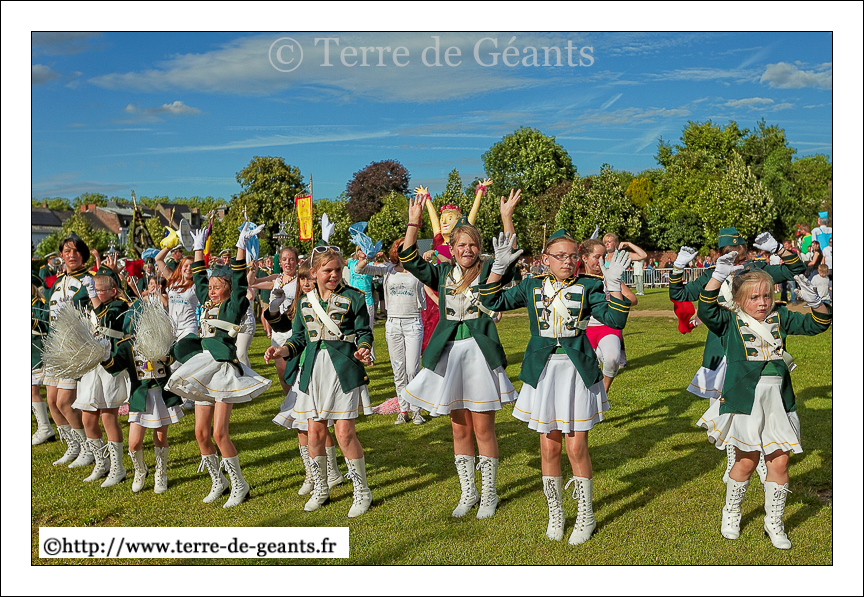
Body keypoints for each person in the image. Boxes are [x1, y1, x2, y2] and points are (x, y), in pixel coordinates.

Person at [481, 229, 631, 544]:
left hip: (577, 371)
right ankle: (556, 513)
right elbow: (490, 300)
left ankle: (586, 515)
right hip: (543, 372)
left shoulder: (589, 286)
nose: (567, 261)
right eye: (560, 256)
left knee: (576, 447)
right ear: (545, 259)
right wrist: (497, 268)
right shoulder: (531, 285)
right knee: (549, 447)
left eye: (573, 256)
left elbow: (615, 321)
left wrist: (615, 286)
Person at [696, 255, 831, 549]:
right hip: (745, 401)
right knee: (746, 461)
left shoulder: (780, 317)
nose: (762, 303)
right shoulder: (729, 321)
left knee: (780, 461)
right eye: (754, 297)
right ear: (738, 300)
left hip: (779, 401)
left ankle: (774, 522)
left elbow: (819, 324)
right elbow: (706, 309)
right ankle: (732, 511)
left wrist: (816, 301)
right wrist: (717, 276)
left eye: (766, 296)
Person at [397, 195, 518, 520]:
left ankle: (489, 493)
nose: (467, 250)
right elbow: (409, 258)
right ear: (451, 248)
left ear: (479, 248)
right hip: (449, 356)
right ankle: (468, 492)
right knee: (459, 428)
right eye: (461, 245)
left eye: (473, 245)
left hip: (480, 355)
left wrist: (506, 217)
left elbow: (510, 256)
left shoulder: (489, 270)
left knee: (483, 429)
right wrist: (414, 222)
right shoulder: (441, 273)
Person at [669, 227, 805, 480]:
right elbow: (679, 294)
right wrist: (678, 267)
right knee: (726, 402)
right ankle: (735, 454)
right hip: (721, 342)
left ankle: (760, 452)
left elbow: (794, 269)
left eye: (740, 255)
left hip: (755, 343)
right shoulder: (712, 274)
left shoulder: (756, 270)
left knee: (757, 401)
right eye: (730, 255)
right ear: (721, 254)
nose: (736, 260)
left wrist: (779, 250)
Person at [264, 246, 375, 518]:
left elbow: (364, 332)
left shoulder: (354, 297)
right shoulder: (304, 302)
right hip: (313, 370)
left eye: (337, 270)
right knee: (314, 433)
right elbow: (298, 339)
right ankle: (321, 488)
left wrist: (364, 348)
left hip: (343, 370)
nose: (334, 275)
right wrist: (281, 350)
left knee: (344, 434)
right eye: (328, 271)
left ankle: (362, 492)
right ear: (314, 272)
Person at [165, 224, 272, 508]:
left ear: (228, 288)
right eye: (211, 287)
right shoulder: (207, 302)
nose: (211, 291)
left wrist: (240, 247)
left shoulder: (235, 304)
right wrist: (198, 249)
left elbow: (239, 279)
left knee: (219, 433)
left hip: (224, 370)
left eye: (217, 287)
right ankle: (218, 480)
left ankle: (239, 484)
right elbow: (199, 278)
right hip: (203, 370)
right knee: (200, 433)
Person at [266, 262, 345, 497]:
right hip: (300, 368)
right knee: (301, 424)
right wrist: (273, 309)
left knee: (318, 424)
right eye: (302, 279)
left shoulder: (329, 302)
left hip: (322, 367)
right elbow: (284, 327)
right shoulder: (298, 306)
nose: (307, 283)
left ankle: (331, 472)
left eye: (309, 279)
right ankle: (311, 473)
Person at [101, 297, 185, 494]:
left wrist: (161, 354)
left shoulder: (164, 338)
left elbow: (172, 357)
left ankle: (161, 473)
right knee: (134, 443)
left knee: (160, 437)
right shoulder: (127, 345)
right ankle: (140, 470)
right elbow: (114, 367)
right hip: (140, 396)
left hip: (162, 395)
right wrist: (104, 356)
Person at [354, 237, 428, 425]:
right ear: (396, 251)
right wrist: (368, 256)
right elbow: (359, 269)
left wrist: (432, 255)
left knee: (412, 369)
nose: (406, 251)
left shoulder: (419, 269)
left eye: (410, 248)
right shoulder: (388, 269)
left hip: (413, 322)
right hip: (393, 323)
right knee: (398, 368)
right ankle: (403, 410)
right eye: (402, 248)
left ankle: (416, 410)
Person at [72, 261, 131, 487]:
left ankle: (118, 467)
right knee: (87, 418)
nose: (93, 294)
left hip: (110, 365)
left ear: (113, 291)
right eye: (92, 290)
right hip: (92, 366)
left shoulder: (119, 306)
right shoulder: (94, 305)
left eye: (98, 290)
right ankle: (101, 462)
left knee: (108, 417)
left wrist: (93, 295)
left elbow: (106, 318)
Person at [44, 233, 94, 467]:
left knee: (65, 401)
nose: (71, 255)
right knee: (52, 401)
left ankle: (88, 448)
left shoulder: (89, 279)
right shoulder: (57, 282)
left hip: (75, 346)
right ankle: (73, 445)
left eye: (76, 251)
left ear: (83, 254)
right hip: (56, 345)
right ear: (61, 255)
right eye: (67, 251)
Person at [580, 239, 638, 393]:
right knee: (584, 367)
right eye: (596, 257)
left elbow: (632, 299)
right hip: (584, 328)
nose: (601, 261)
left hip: (608, 326)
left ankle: (603, 394)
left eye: (603, 257)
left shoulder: (609, 276)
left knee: (612, 359)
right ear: (584, 258)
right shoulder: (577, 278)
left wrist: (612, 299)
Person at [252, 247, 300, 395]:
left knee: (296, 370)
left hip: (293, 328)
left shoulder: (300, 280)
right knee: (282, 372)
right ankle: (289, 402)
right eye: (284, 259)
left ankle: (299, 401)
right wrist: (253, 270)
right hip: (278, 329)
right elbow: (252, 283)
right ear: (279, 262)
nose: (288, 263)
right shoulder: (276, 279)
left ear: (297, 261)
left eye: (291, 259)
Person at [31, 278, 55, 445]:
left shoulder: (38, 303)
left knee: (34, 391)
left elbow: (45, 325)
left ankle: (45, 428)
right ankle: (44, 427)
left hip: (38, 350)